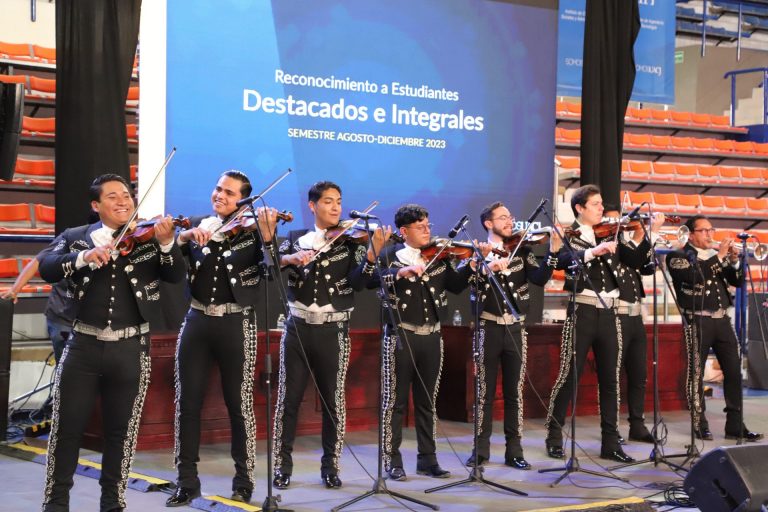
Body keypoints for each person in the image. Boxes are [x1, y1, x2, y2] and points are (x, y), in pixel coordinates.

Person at [39, 174, 186, 512]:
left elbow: (175, 275)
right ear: (96, 205)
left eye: (127, 195)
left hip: (131, 349)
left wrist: (167, 244)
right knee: (66, 428)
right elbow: (46, 267)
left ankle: (113, 503)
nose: (123, 201)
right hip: (83, 346)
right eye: (113, 196)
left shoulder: (148, 239)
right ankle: (56, 503)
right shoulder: (76, 237)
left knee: (121, 431)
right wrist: (84, 257)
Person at [166, 170, 279, 507]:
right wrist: (182, 238)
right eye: (218, 188)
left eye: (229, 193)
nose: (220, 195)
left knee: (239, 404)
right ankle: (186, 481)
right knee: (187, 403)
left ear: (243, 200)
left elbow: (272, 272)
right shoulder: (196, 226)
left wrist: (269, 238)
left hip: (237, 322)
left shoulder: (254, 231)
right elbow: (168, 267)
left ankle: (243, 482)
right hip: (197, 319)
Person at [272, 181, 389, 489]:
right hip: (297, 328)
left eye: (338, 201)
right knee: (288, 400)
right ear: (313, 206)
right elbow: (270, 264)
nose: (336, 207)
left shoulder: (351, 242)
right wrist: (290, 259)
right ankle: (282, 466)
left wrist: (372, 256)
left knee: (333, 402)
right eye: (328, 201)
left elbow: (359, 283)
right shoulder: (295, 238)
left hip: (334, 329)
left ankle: (331, 466)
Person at [371, 204, 489, 481]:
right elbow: (371, 280)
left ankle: (427, 459)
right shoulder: (390, 255)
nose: (427, 231)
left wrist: (472, 265)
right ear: (404, 231)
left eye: (428, 225)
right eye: (420, 226)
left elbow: (456, 285)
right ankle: (392, 460)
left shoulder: (439, 256)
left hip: (433, 335)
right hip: (401, 336)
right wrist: (399, 273)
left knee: (427, 402)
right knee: (395, 403)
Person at [544, 185, 651, 464]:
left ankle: (610, 442)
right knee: (569, 375)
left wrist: (644, 235)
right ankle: (554, 435)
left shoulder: (609, 232)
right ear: (579, 208)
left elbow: (636, 260)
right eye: (595, 204)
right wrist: (594, 251)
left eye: (602, 203)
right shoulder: (569, 234)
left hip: (610, 312)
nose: (601, 208)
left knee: (610, 379)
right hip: (582, 311)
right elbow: (562, 261)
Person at [466, 202, 561, 470]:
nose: (510, 222)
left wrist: (553, 251)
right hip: (487, 328)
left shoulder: (523, 250)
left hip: (516, 328)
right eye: (503, 217)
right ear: (488, 223)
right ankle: (480, 450)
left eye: (510, 217)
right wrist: (484, 267)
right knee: (483, 393)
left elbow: (540, 279)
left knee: (514, 393)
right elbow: (469, 288)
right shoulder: (477, 253)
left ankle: (514, 451)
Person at [666, 215, 763, 442]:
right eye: (704, 230)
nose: (710, 235)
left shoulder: (715, 257)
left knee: (734, 372)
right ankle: (699, 423)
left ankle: (735, 425)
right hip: (697, 321)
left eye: (711, 230)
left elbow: (737, 281)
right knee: (696, 374)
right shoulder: (678, 256)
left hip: (722, 321)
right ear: (690, 235)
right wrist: (719, 256)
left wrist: (734, 261)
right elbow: (694, 277)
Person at [603, 207, 664, 444]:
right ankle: (612, 429)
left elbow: (647, 267)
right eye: (612, 219)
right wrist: (645, 236)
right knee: (613, 377)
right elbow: (633, 257)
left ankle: (637, 424)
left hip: (636, 315)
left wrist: (646, 240)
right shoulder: (607, 245)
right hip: (615, 314)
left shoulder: (629, 245)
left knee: (639, 374)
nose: (619, 223)